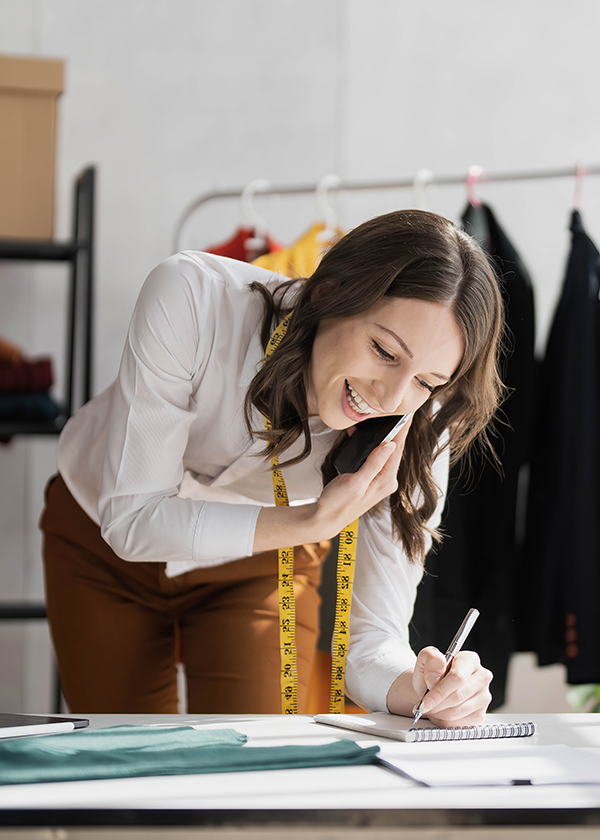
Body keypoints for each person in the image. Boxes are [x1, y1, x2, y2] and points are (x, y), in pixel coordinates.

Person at [40, 209, 503, 723]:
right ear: (329, 292)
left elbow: (372, 640)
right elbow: (130, 520)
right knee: (123, 771)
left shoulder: (417, 425)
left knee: (253, 771)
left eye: (427, 381)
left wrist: (417, 687)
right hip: (100, 542)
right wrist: (310, 523)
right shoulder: (190, 299)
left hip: (261, 561)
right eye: (384, 351)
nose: (392, 397)